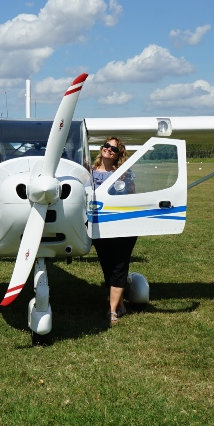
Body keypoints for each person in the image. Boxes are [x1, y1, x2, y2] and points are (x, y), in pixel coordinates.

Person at [91, 137, 136, 326]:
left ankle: (111, 312)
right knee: (108, 267)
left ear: (118, 155)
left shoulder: (124, 174)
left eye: (114, 149)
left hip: (122, 225)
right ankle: (120, 304)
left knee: (119, 266)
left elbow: (133, 198)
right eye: (106, 146)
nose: (109, 149)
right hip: (98, 227)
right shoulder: (88, 173)